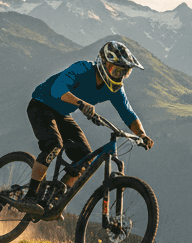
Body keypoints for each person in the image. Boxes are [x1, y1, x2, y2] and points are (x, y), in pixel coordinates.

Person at [20, 41, 155, 214]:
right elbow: (57, 89)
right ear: (103, 64)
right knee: (53, 145)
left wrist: (141, 135)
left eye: (124, 72)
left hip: (62, 114)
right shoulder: (82, 69)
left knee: (84, 159)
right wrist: (80, 103)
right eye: (116, 70)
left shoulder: (114, 90)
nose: (118, 76)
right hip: (41, 105)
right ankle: (30, 196)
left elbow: (128, 113)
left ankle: (53, 202)